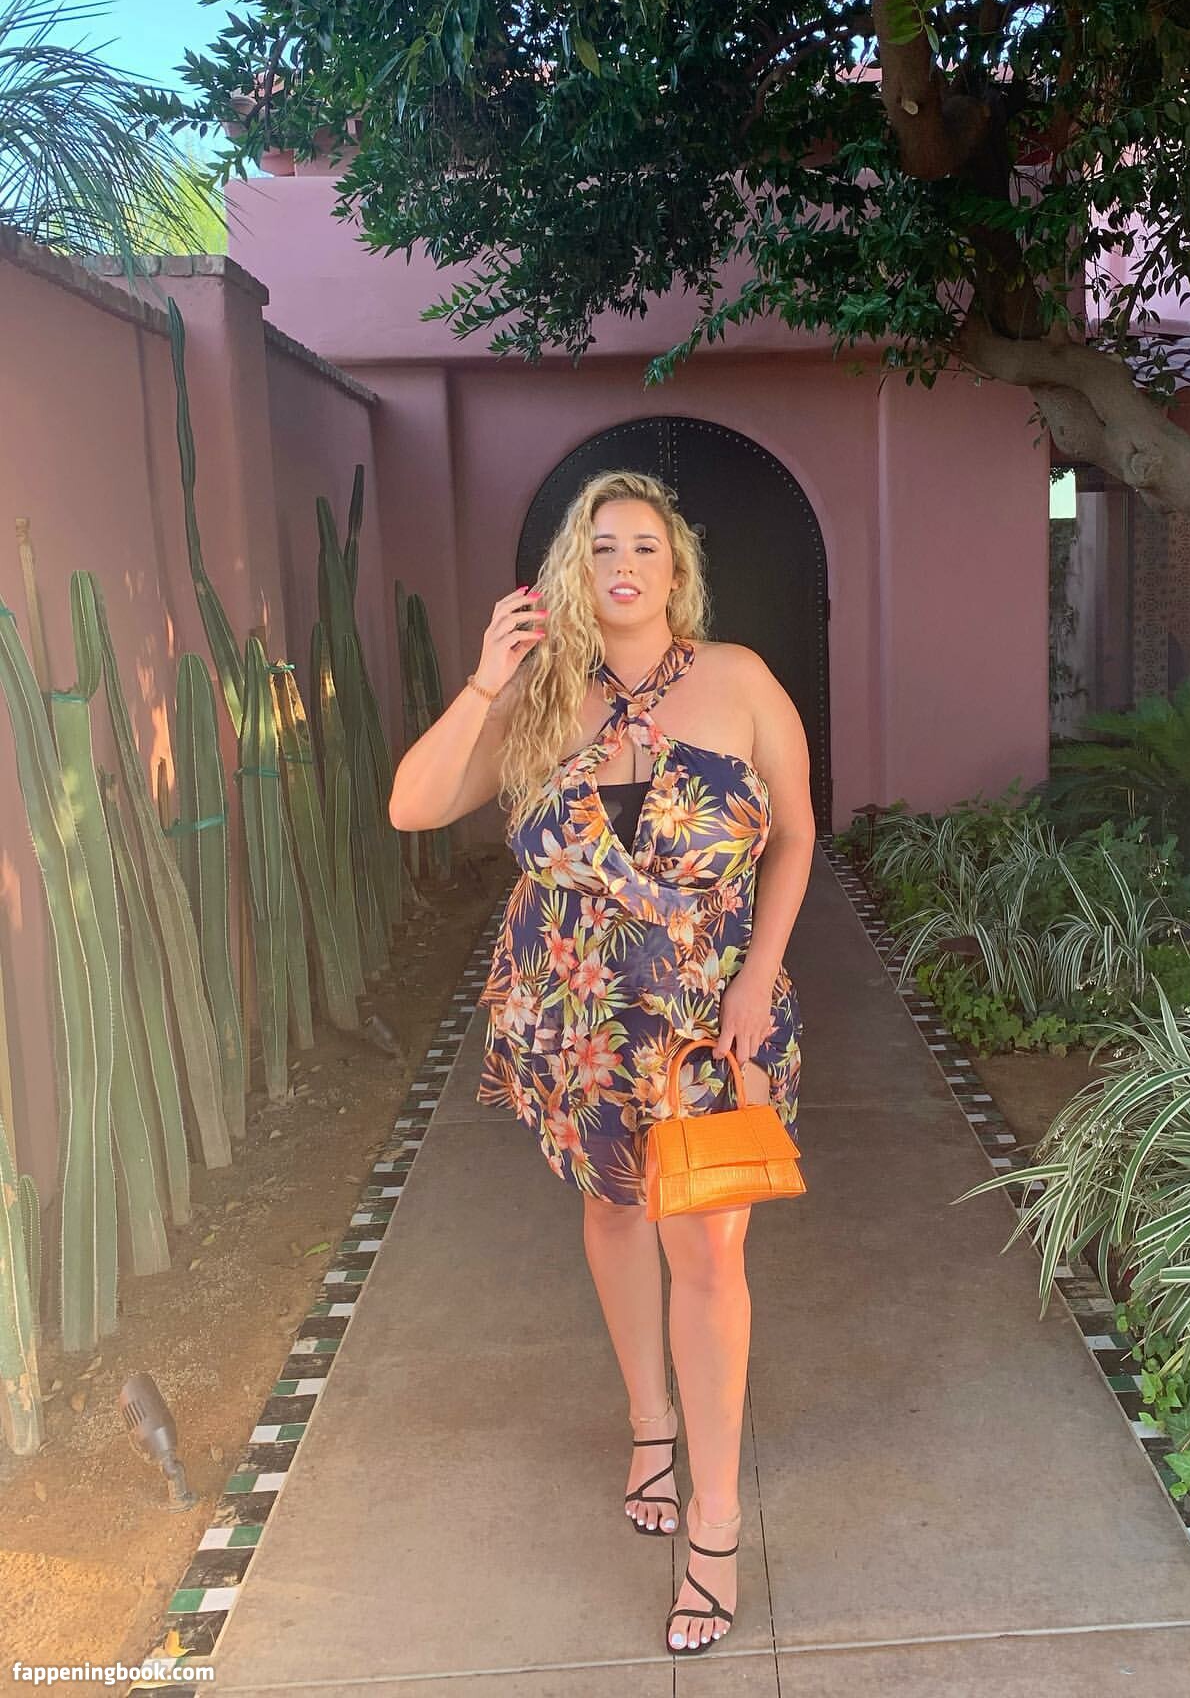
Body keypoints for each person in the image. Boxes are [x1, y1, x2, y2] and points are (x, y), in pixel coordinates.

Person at [387, 468, 814, 1655]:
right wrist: (487, 679)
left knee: (710, 1252)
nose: (624, 565)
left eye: (645, 546)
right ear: (573, 570)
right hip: (576, 1025)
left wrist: (759, 976)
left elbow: (795, 835)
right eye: (601, 546)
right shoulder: (537, 698)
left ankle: (715, 1526)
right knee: (616, 1213)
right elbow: (414, 806)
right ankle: (648, 1424)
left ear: (677, 570)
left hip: (711, 1023)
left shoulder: (740, 681)